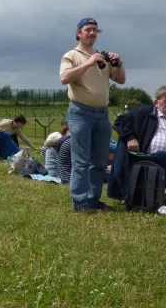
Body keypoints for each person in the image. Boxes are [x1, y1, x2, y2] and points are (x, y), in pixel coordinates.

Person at [59, 17, 126, 212]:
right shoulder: (71, 56)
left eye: (95, 30)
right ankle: (79, 201)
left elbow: (120, 80)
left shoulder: (102, 57)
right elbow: (64, 78)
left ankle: (94, 199)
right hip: (81, 112)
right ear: (79, 33)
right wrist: (89, 63)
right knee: (81, 160)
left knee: (100, 160)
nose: (92, 33)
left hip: (102, 114)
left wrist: (119, 63)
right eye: (88, 29)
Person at [113, 85, 166, 205]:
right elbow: (120, 121)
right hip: (151, 160)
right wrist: (130, 138)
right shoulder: (146, 114)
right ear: (156, 102)